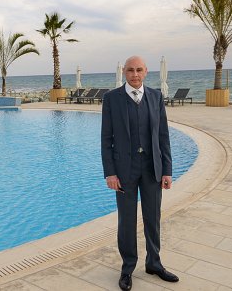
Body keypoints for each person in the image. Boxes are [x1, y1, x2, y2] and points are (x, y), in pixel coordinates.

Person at [101, 56, 179, 290]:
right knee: (126, 221)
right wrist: (110, 173)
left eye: (139, 70)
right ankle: (127, 268)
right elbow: (106, 140)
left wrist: (167, 170)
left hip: (152, 168)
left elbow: (163, 137)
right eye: (130, 70)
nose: (135, 74)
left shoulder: (156, 97)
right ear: (124, 72)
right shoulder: (111, 99)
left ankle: (154, 263)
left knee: (153, 218)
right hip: (124, 170)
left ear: (146, 72)